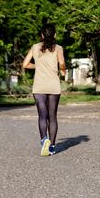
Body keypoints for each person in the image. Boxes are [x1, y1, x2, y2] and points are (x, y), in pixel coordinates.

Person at [23, 23, 66, 156]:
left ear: (41, 35)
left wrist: (40, 66)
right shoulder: (58, 48)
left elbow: (25, 64)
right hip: (53, 86)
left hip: (39, 86)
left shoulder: (35, 47)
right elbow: (62, 64)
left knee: (42, 115)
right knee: (52, 117)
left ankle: (44, 140)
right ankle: (52, 146)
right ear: (55, 35)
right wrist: (63, 71)